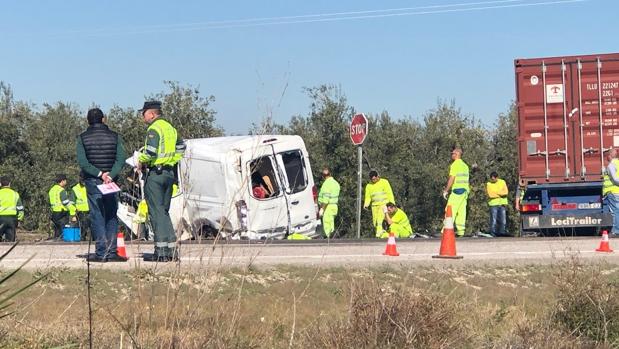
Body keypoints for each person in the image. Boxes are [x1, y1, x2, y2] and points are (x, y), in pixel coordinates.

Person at [136, 101, 185, 262]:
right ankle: (171, 250)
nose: (143, 117)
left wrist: (140, 160)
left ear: (151, 114)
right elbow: (181, 147)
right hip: (169, 173)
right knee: (164, 211)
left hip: (156, 174)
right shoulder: (170, 128)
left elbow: (150, 152)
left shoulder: (154, 129)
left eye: (143, 113)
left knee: (156, 212)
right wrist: (172, 160)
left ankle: (162, 251)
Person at [76, 108, 127, 262]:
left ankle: (101, 252)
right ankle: (112, 252)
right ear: (104, 119)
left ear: (87, 120)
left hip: (93, 181)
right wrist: (110, 175)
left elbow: (83, 162)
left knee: (97, 216)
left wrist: (99, 174)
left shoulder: (83, 138)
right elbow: (121, 159)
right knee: (111, 215)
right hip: (111, 182)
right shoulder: (115, 137)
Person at [442, 147, 470, 237]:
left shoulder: (455, 165)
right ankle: (461, 231)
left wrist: (446, 190)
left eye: (453, 154)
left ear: (457, 154)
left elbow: (452, 178)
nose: (452, 155)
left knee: (450, 209)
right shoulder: (465, 165)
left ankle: (445, 230)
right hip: (465, 192)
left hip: (457, 191)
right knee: (461, 212)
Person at [363, 170, 395, 237]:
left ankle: (378, 235)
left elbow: (389, 193)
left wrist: (392, 204)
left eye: (375, 179)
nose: (374, 180)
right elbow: (368, 197)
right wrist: (366, 205)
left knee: (379, 220)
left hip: (384, 204)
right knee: (375, 222)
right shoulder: (369, 186)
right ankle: (381, 235)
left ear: (378, 176)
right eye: (372, 179)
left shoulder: (384, 182)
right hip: (374, 206)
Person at [48, 174, 76, 240]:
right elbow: (65, 202)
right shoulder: (61, 190)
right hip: (62, 212)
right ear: (62, 181)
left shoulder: (52, 190)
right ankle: (62, 241)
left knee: (57, 229)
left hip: (54, 212)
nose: (66, 182)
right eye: (65, 180)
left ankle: (57, 240)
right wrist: (73, 209)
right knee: (63, 228)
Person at [317, 168, 340, 238]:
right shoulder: (336, 183)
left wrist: (322, 209)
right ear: (330, 174)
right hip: (334, 206)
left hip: (328, 207)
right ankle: (332, 238)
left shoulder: (326, 184)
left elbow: (326, 199)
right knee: (331, 223)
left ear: (323, 176)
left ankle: (329, 240)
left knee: (327, 224)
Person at [0, 176, 24, 242]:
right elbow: (20, 208)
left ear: (0, 184)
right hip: (12, 219)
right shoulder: (15, 194)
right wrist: (19, 219)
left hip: (1, 218)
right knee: (10, 241)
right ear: (9, 184)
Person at [486, 171, 509, 237]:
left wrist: (496, 193)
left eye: (494, 179)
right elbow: (490, 195)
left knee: (503, 220)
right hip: (493, 204)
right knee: (494, 220)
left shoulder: (502, 182)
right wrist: (501, 194)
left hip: (502, 204)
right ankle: (493, 233)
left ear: (497, 177)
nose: (492, 180)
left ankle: (502, 232)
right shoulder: (489, 184)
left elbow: (506, 192)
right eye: (491, 179)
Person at [603, 148, 619, 237]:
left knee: (615, 212)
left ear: (609, 156)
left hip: (613, 192)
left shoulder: (611, 165)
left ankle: (616, 231)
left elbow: (615, 179)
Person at [71, 175, 91, 241]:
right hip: (81, 212)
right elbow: (72, 203)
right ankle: (82, 240)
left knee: (94, 228)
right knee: (83, 228)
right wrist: (73, 215)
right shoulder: (75, 189)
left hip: (91, 211)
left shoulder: (90, 186)